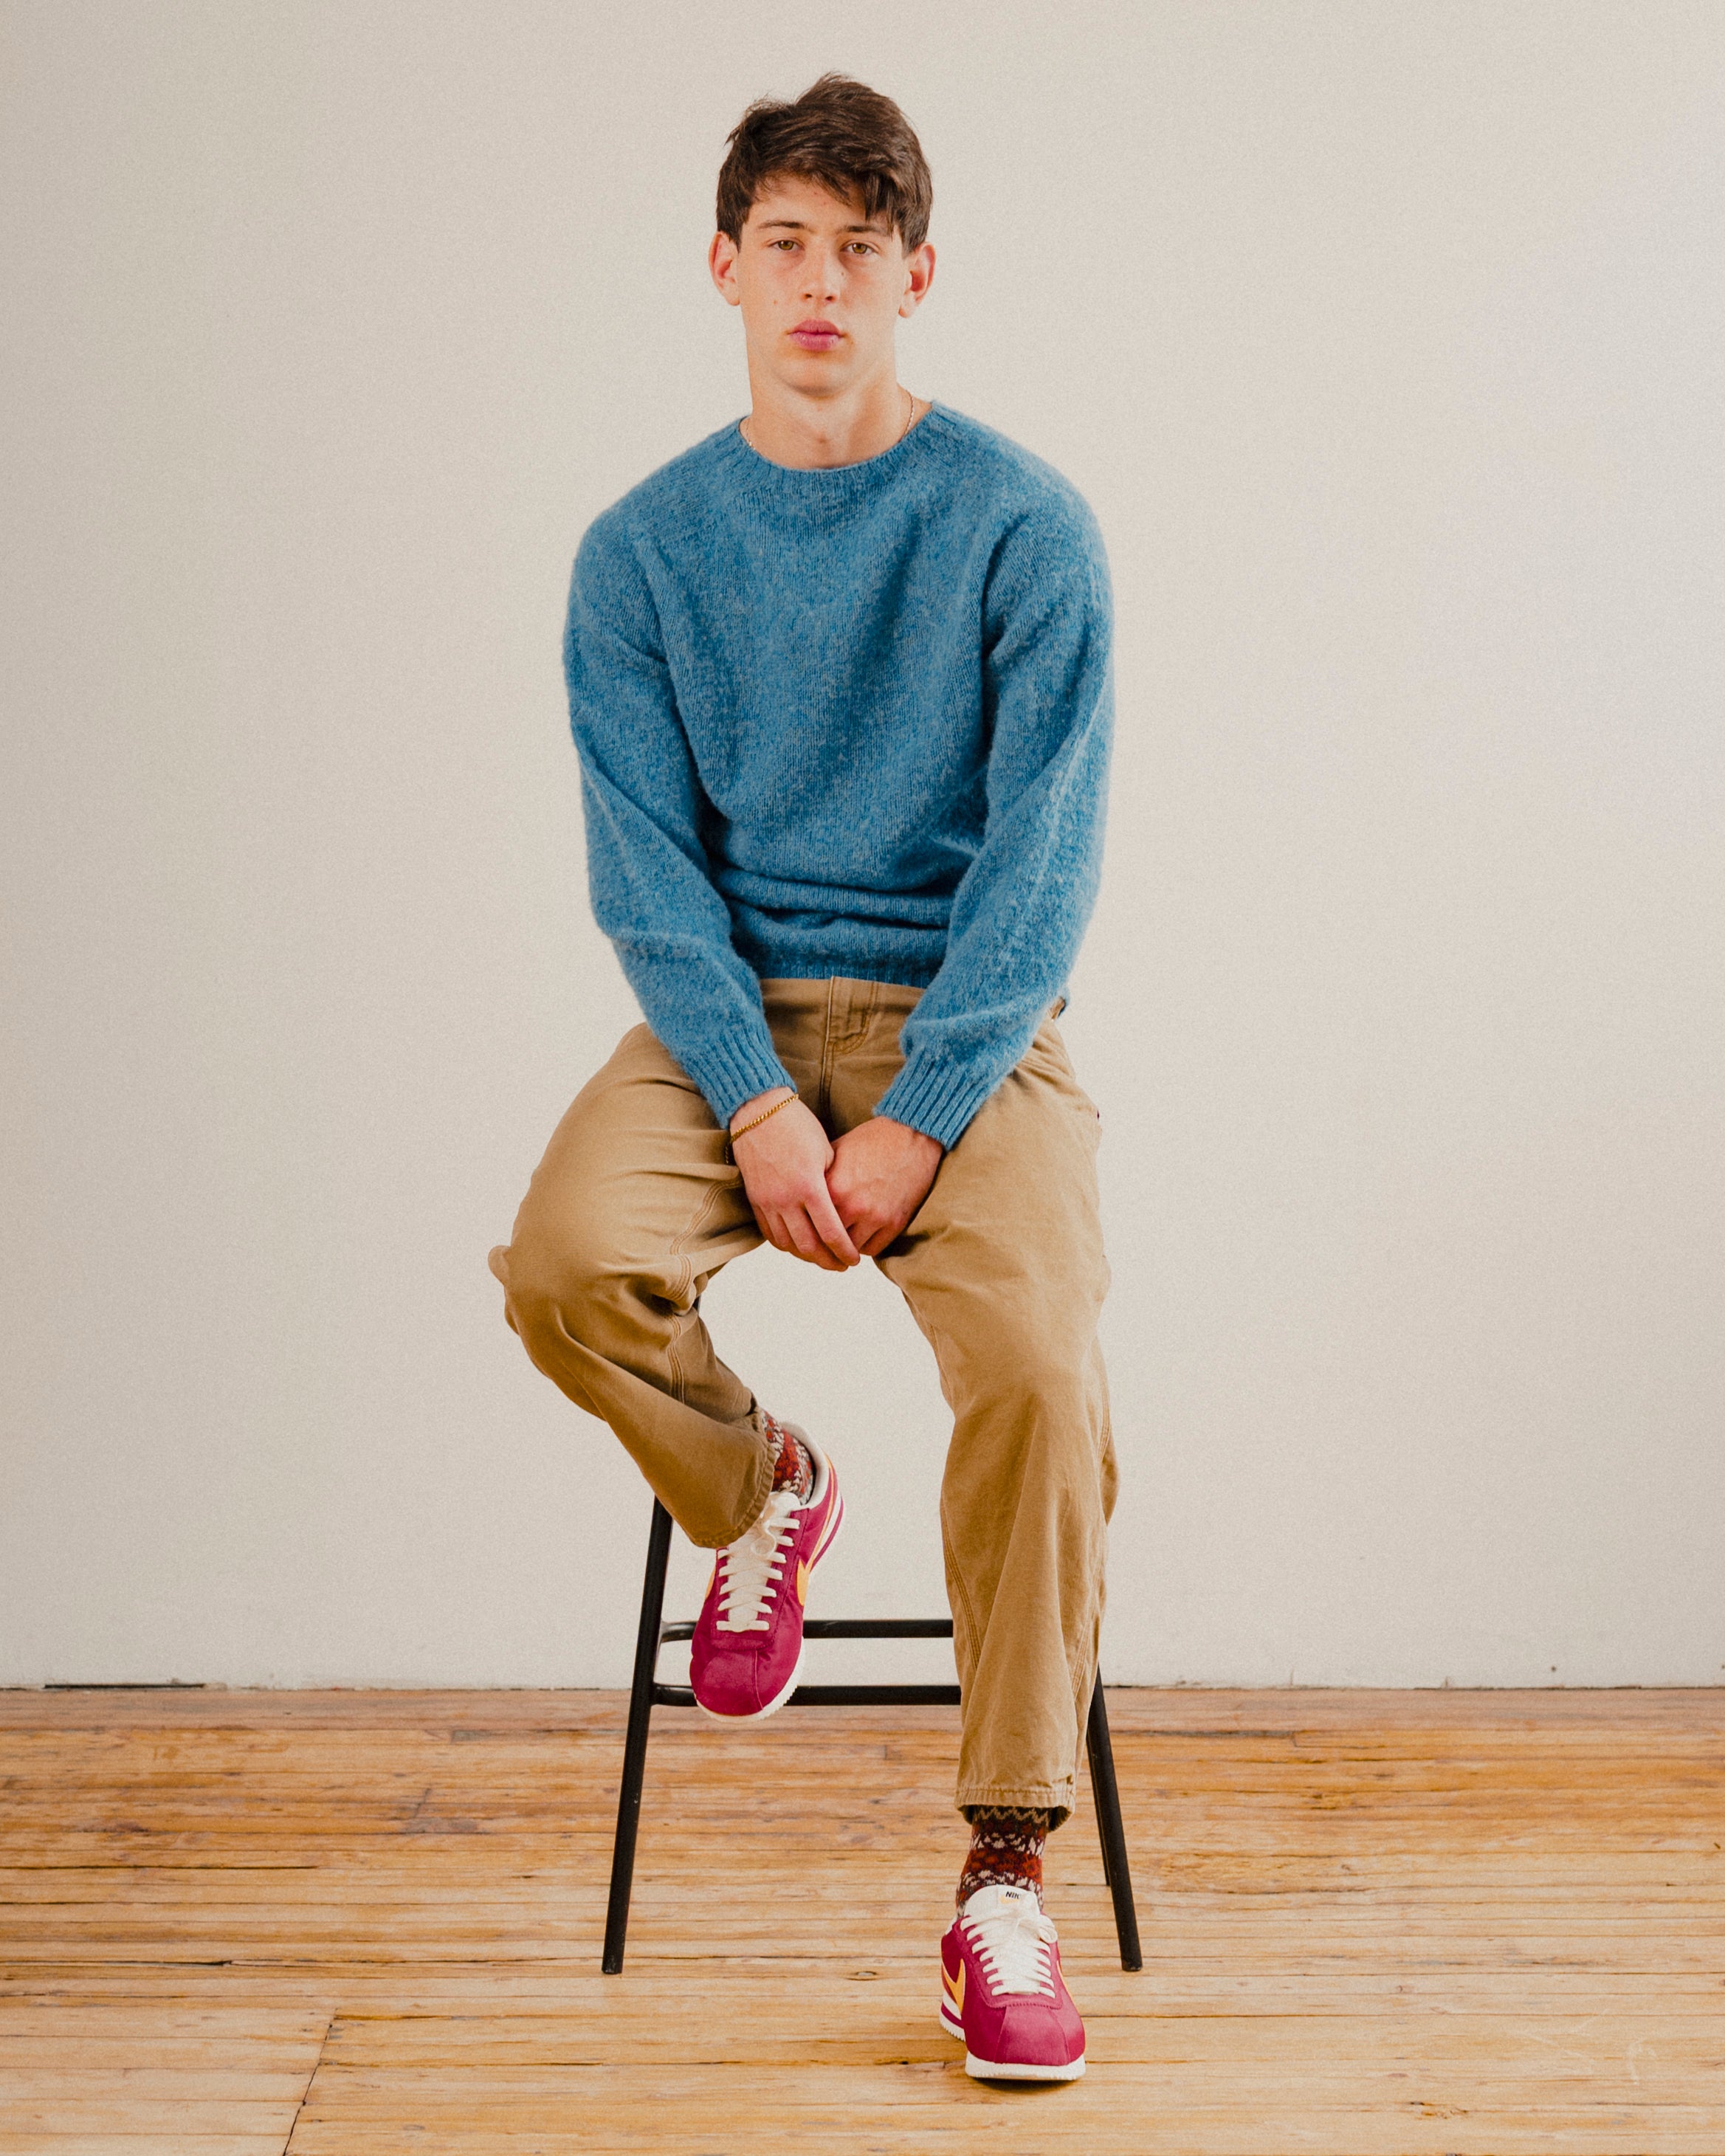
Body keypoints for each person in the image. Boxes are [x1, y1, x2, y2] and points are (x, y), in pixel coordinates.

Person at [489, 72, 1115, 2083]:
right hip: (726, 1021)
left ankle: (1003, 1874)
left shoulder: (1024, 524)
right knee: (564, 1263)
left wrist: (921, 1110)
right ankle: (765, 1482)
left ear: (917, 275)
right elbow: (642, 866)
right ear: (723, 269)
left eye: (861, 246)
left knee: (1037, 1372)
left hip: (970, 1030)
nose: (821, 279)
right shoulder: (639, 553)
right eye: (786, 242)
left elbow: (1043, 856)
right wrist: (758, 1101)